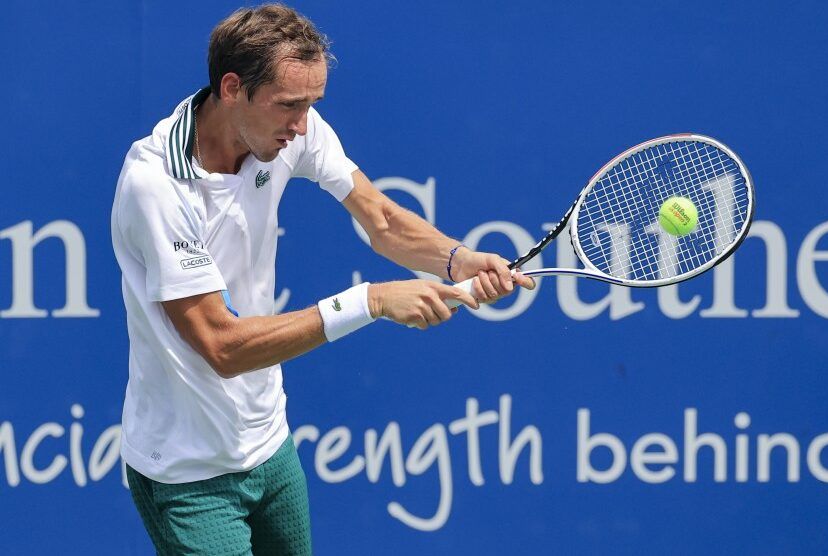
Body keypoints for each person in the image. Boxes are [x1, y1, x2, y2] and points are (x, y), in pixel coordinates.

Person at [111, 4, 534, 555]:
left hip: (270, 446)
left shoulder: (291, 130)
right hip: (188, 472)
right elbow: (221, 345)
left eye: (312, 105)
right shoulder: (155, 186)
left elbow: (380, 218)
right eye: (290, 105)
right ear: (232, 87)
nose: (302, 125)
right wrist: (371, 301)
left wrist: (457, 259)